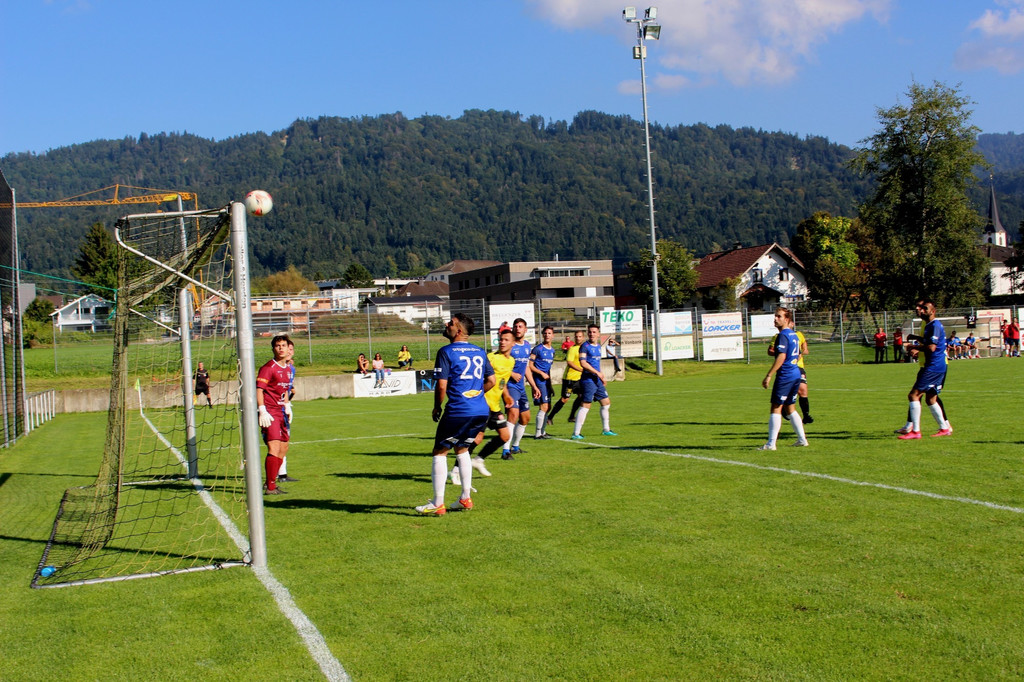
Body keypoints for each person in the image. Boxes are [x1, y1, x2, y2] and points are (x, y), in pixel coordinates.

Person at [415, 313, 495, 516]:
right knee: (462, 449)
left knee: (440, 451)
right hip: (480, 410)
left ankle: (437, 503)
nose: (446, 324)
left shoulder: (446, 351)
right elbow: (492, 381)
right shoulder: (479, 351)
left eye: (450, 323)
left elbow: (441, 385)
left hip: (459, 410)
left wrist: (436, 406)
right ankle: (465, 498)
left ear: (459, 330)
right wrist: (474, 395)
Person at [450, 327, 515, 484]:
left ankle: (478, 460)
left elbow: (501, 382)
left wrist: (506, 396)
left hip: (495, 406)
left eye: (506, 340)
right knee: (476, 439)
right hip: (483, 405)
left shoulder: (511, 361)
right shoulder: (491, 358)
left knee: (505, 436)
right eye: (501, 339)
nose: (502, 342)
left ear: (513, 343)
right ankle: (455, 470)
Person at [895, 299, 952, 439]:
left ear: (933, 311)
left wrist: (914, 347)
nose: (921, 310)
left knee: (913, 395)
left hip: (933, 366)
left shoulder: (934, 325)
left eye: (925, 308)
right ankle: (944, 428)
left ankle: (915, 431)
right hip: (937, 366)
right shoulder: (930, 325)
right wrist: (917, 340)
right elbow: (930, 343)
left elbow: (932, 348)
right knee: (931, 398)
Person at [758, 307, 808, 450]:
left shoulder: (783, 335)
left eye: (779, 316)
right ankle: (802, 439)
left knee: (776, 407)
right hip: (795, 373)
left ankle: (771, 444)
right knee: (790, 407)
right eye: (775, 316)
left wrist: (769, 374)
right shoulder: (794, 335)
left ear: (786, 319)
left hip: (785, 375)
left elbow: (781, 356)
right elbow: (799, 353)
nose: (775, 319)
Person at [257, 335, 293, 494]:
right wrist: (262, 410)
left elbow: (284, 389)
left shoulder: (288, 369)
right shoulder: (268, 367)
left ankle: (269, 482)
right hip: (270, 412)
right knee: (274, 446)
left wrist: (287, 405)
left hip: (280, 412)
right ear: (273, 349)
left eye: (283, 345)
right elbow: (259, 390)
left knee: (284, 447)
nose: (281, 348)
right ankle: (271, 486)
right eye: (277, 346)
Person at [571, 324, 616, 439]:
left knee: (606, 403)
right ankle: (576, 433)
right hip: (588, 380)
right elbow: (583, 363)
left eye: (594, 332)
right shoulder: (585, 346)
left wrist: (601, 377)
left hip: (597, 380)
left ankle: (606, 429)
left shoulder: (598, 346)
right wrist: (597, 373)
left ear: (598, 334)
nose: (592, 334)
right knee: (586, 405)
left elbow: (596, 364)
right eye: (590, 332)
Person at [768, 318, 813, 424]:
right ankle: (785, 411)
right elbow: (770, 351)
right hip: (786, 368)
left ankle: (806, 415)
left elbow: (805, 350)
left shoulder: (798, 335)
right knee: (783, 403)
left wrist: (798, 353)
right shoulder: (778, 336)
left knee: (803, 390)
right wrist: (781, 352)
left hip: (798, 367)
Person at [503, 318, 534, 457]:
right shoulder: (509, 346)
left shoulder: (527, 346)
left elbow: (526, 367)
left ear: (525, 329)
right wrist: (512, 373)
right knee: (513, 414)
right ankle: (505, 450)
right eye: (515, 326)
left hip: (521, 387)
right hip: (509, 386)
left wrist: (534, 386)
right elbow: (499, 366)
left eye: (520, 326)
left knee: (525, 418)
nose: (518, 328)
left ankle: (515, 446)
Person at [547, 329, 584, 424]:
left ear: (583, 337)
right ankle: (550, 417)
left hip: (580, 379)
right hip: (570, 379)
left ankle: (572, 416)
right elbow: (570, 363)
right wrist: (582, 370)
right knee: (564, 399)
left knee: (581, 396)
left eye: (580, 336)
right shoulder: (572, 349)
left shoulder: (584, 348)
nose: (578, 338)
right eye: (576, 336)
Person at [277, 340, 299, 484]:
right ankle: (275, 477)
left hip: (284, 407)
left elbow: (285, 389)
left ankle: (282, 474)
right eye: (287, 348)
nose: (289, 351)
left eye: (290, 349)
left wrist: (287, 403)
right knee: (276, 443)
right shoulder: (275, 367)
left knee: (284, 441)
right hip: (274, 409)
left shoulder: (291, 368)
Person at [528, 325, 556, 439]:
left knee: (548, 406)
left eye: (549, 333)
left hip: (546, 382)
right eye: (545, 333)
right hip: (539, 381)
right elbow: (530, 365)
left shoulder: (553, 350)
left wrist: (550, 383)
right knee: (543, 406)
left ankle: (543, 431)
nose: (547, 335)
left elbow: (548, 369)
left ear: (553, 336)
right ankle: (538, 433)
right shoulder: (538, 349)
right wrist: (541, 373)